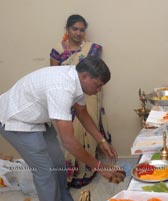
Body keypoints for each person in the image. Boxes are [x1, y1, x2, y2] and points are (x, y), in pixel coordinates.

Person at [0, 56, 125, 201]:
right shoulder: (62, 88)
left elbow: (82, 112)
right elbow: (69, 142)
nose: (98, 91)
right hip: (16, 119)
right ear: (85, 76)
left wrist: (102, 141)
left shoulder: (75, 79)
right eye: (97, 85)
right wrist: (99, 166)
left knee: (58, 165)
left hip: (36, 118)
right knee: (45, 172)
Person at [50, 14, 111, 188]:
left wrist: (102, 141)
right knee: (70, 135)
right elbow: (56, 77)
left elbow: (97, 76)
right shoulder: (57, 53)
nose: (78, 33)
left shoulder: (93, 49)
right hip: (64, 99)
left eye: (82, 30)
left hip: (85, 96)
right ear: (67, 30)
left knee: (87, 130)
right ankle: (71, 175)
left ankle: (87, 171)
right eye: (74, 29)